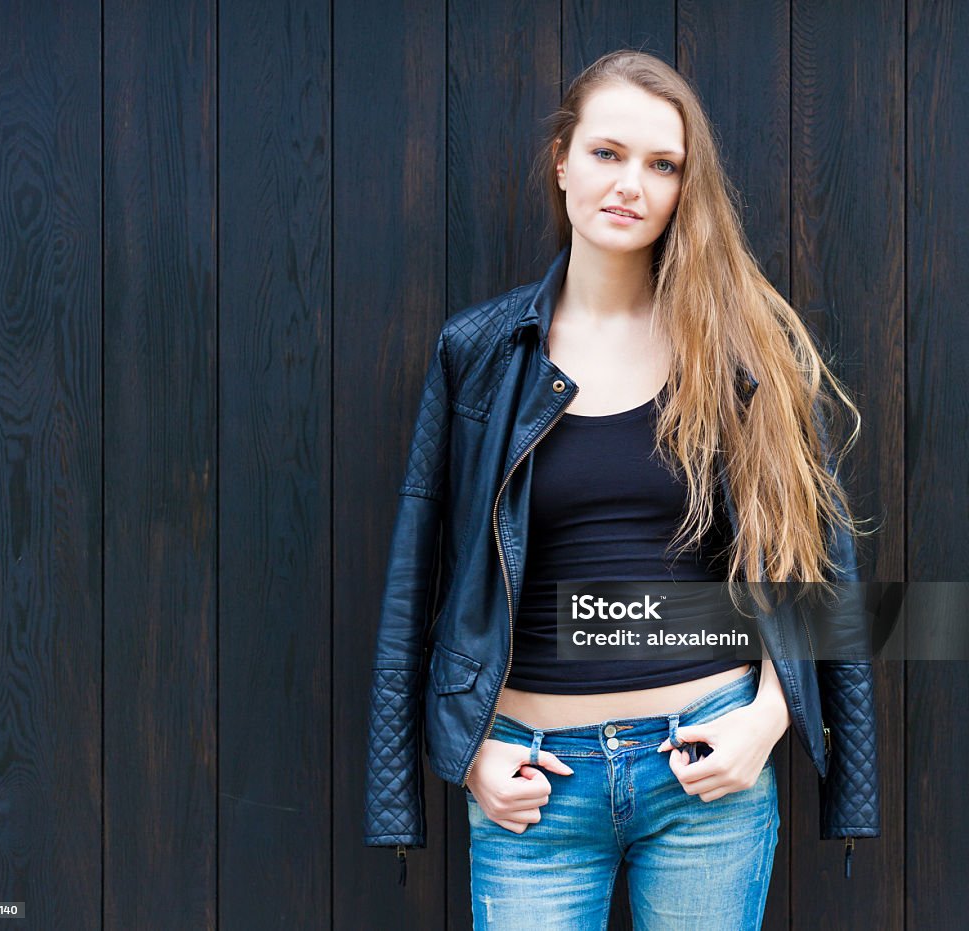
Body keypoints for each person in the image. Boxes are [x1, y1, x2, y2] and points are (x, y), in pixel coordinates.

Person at [363, 48, 880, 930]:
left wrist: (765, 719)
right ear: (562, 160)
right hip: (530, 786)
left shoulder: (747, 353)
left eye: (662, 164)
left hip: (703, 774)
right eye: (607, 153)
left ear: (686, 188)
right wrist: (469, 750)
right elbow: (422, 574)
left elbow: (818, 566)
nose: (630, 183)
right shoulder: (479, 353)